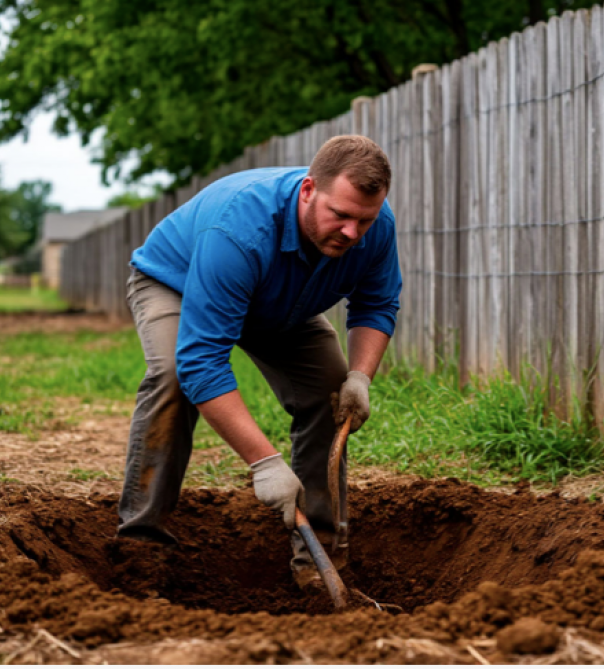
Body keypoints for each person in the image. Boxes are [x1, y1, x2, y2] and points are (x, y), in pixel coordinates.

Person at [116, 135, 401, 590]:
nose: (352, 233)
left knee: (330, 391)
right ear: (308, 190)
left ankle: (318, 557)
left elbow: (377, 303)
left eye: (363, 220)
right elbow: (202, 361)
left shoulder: (375, 226)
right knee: (173, 376)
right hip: (179, 282)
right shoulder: (238, 230)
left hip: (282, 303)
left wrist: (360, 376)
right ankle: (142, 542)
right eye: (340, 216)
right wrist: (263, 464)